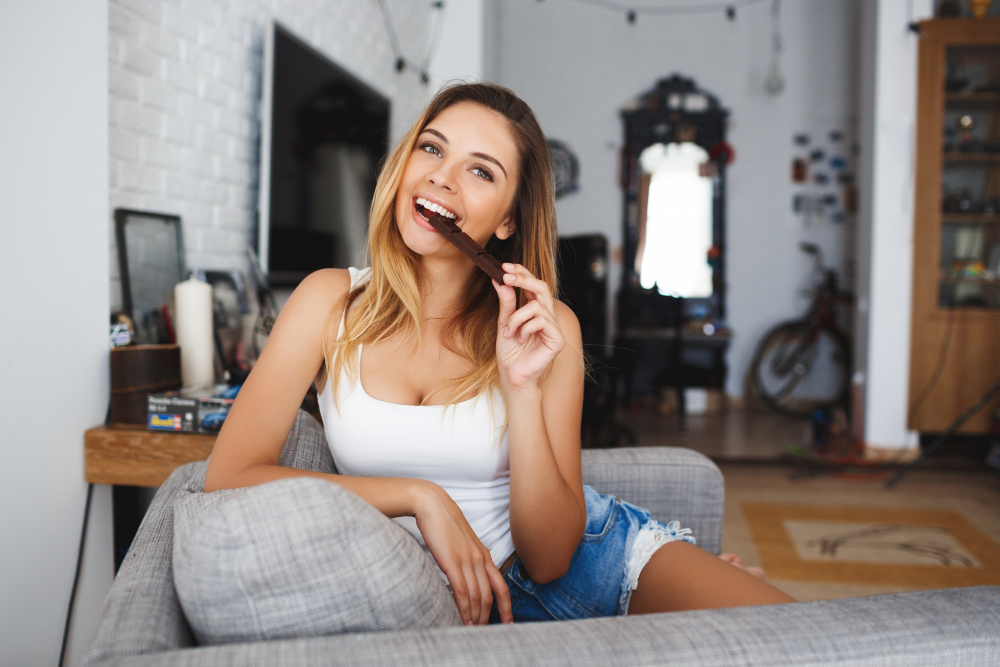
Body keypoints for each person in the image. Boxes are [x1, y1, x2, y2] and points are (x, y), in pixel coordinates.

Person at [204, 82, 795, 626]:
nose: (443, 178)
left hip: (597, 563)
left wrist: (521, 385)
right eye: (432, 150)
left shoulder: (547, 327)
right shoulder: (328, 301)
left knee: (807, 639)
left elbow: (550, 557)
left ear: (509, 218)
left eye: (480, 171)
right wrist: (418, 496)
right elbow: (229, 476)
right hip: (444, 603)